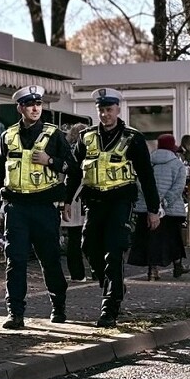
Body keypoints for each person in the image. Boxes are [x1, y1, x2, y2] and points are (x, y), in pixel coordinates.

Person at [65, 88, 160, 328]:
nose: (105, 114)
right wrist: (66, 200)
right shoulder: (86, 138)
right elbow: (75, 173)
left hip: (120, 201)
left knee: (114, 251)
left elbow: (147, 176)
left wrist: (153, 208)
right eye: (101, 110)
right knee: (88, 246)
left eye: (109, 109)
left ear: (118, 109)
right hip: (95, 202)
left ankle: (110, 307)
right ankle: (111, 282)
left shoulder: (132, 138)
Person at [0, 85, 75, 330]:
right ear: (20, 108)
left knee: (49, 260)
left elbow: (73, 168)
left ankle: (58, 305)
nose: (36, 108)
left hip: (44, 207)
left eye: (38, 104)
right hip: (16, 207)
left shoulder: (53, 135)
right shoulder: (8, 136)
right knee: (14, 260)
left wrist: (51, 161)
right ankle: (15, 312)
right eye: (30, 105)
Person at [128, 134, 187, 280]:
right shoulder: (177, 164)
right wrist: (164, 203)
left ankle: (152, 270)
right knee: (174, 237)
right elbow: (178, 187)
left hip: (147, 207)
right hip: (171, 209)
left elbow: (139, 182)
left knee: (150, 239)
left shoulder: (147, 162)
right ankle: (177, 265)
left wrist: (153, 202)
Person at [62, 123, 92, 282]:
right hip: (83, 194)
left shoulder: (66, 150)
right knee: (90, 235)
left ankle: (77, 273)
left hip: (70, 197)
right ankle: (95, 269)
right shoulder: (87, 151)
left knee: (73, 237)